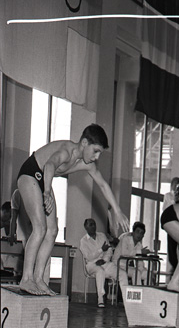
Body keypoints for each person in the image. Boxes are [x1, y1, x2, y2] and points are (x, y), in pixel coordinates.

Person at [15, 124, 130, 296]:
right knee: (40, 228)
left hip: (44, 181)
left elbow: (103, 185)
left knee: (52, 231)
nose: (97, 157)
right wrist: (47, 192)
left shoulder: (88, 164)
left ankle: (38, 278)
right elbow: (50, 165)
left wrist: (117, 210)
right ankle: (26, 278)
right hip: (31, 173)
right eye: (95, 151)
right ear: (84, 143)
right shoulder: (67, 151)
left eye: (100, 153)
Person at [79, 218, 116, 307]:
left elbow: (109, 250)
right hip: (91, 265)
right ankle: (100, 298)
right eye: (90, 225)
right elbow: (88, 257)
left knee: (117, 271)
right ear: (86, 227)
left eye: (94, 224)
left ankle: (122, 299)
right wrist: (101, 250)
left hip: (103, 262)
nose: (93, 227)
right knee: (100, 270)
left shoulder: (102, 236)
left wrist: (105, 260)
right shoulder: (83, 241)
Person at [110, 221, 151, 290]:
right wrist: (140, 252)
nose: (139, 235)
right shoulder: (125, 239)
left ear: (143, 236)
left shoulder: (139, 245)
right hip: (117, 264)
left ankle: (147, 294)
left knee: (147, 274)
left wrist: (142, 269)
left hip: (126, 267)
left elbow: (139, 262)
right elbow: (124, 254)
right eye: (138, 231)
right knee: (136, 273)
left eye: (141, 233)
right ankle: (137, 293)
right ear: (133, 232)